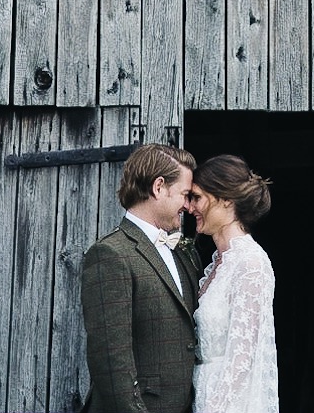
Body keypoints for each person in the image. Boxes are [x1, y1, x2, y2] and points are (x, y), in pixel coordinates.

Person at [82, 142, 203, 413]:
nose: (187, 205)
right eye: (184, 194)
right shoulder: (111, 254)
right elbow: (111, 361)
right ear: (158, 187)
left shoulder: (183, 252)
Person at [189, 155, 278, 413]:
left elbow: (242, 359)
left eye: (197, 197)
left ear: (226, 199)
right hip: (202, 392)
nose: (191, 207)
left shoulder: (250, 263)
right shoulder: (219, 263)